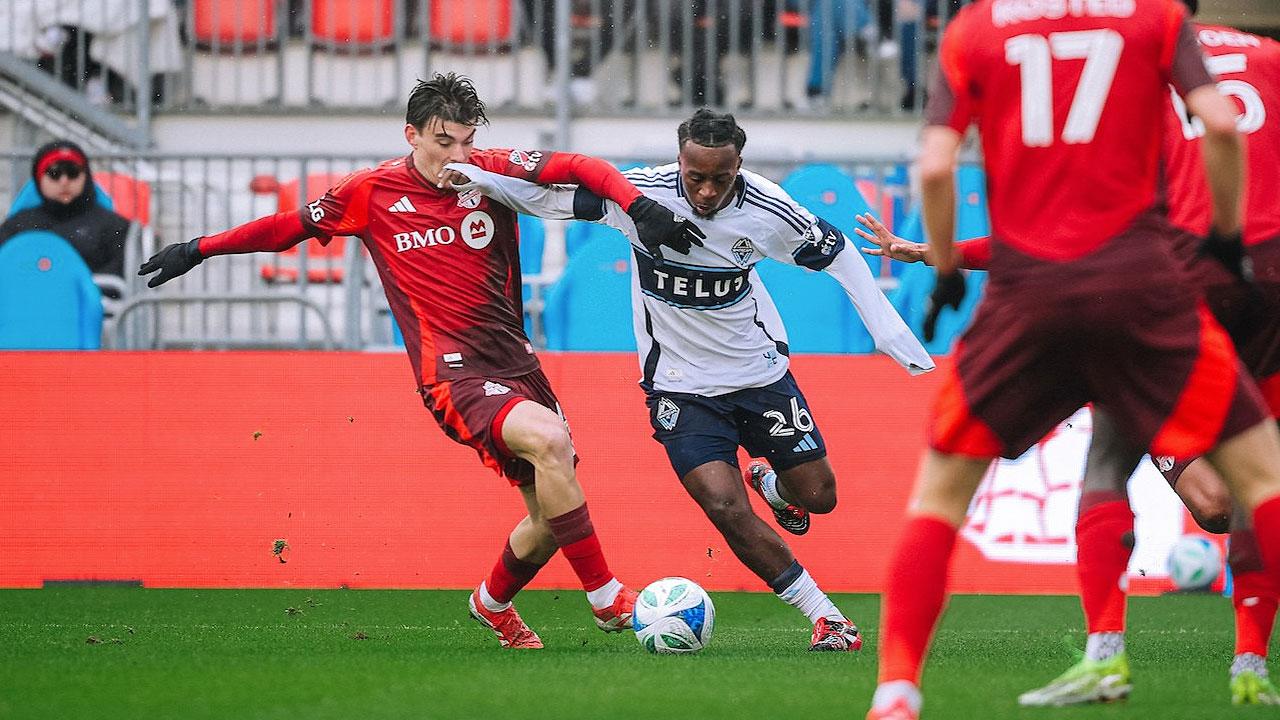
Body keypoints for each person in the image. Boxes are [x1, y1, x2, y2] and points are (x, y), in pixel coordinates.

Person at [137, 73, 705, 650]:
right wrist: (196, 249)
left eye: (466, 140)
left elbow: (583, 166)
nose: (458, 156)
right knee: (551, 443)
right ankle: (606, 598)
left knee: (550, 519)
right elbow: (287, 229)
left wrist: (636, 205)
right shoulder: (371, 192)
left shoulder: (492, 170)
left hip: (517, 365)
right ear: (411, 135)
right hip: (452, 374)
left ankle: (491, 605)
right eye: (443, 142)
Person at [865, 0, 1280, 717]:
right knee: (1260, 482)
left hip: (1032, 292)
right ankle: (1247, 658)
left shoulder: (976, 30)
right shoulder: (1153, 21)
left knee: (940, 496)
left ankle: (898, 691)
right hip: (1156, 284)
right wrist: (1227, 237)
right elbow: (1219, 124)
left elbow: (934, 165)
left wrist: (940, 264)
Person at [443, 108, 934, 651]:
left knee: (819, 497)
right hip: (678, 385)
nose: (704, 191)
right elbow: (557, 200)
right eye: (695, 176)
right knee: (724, 507)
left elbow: (839, 253)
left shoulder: (768, 210)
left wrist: (891, 334)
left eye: (719, 179)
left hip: (758, 374)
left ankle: (774, 485)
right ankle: (827, 617)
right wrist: (485, 180)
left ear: (738, 166)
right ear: (680, 160)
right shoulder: (643, 196)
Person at [0, 140, 129, 291]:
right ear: (38, 178)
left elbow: (120, 271)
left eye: (72, 172)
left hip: (96, 309)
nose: (64, 181)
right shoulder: (18, 226)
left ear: (85, 176)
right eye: (54, 173)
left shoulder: (113, 225)